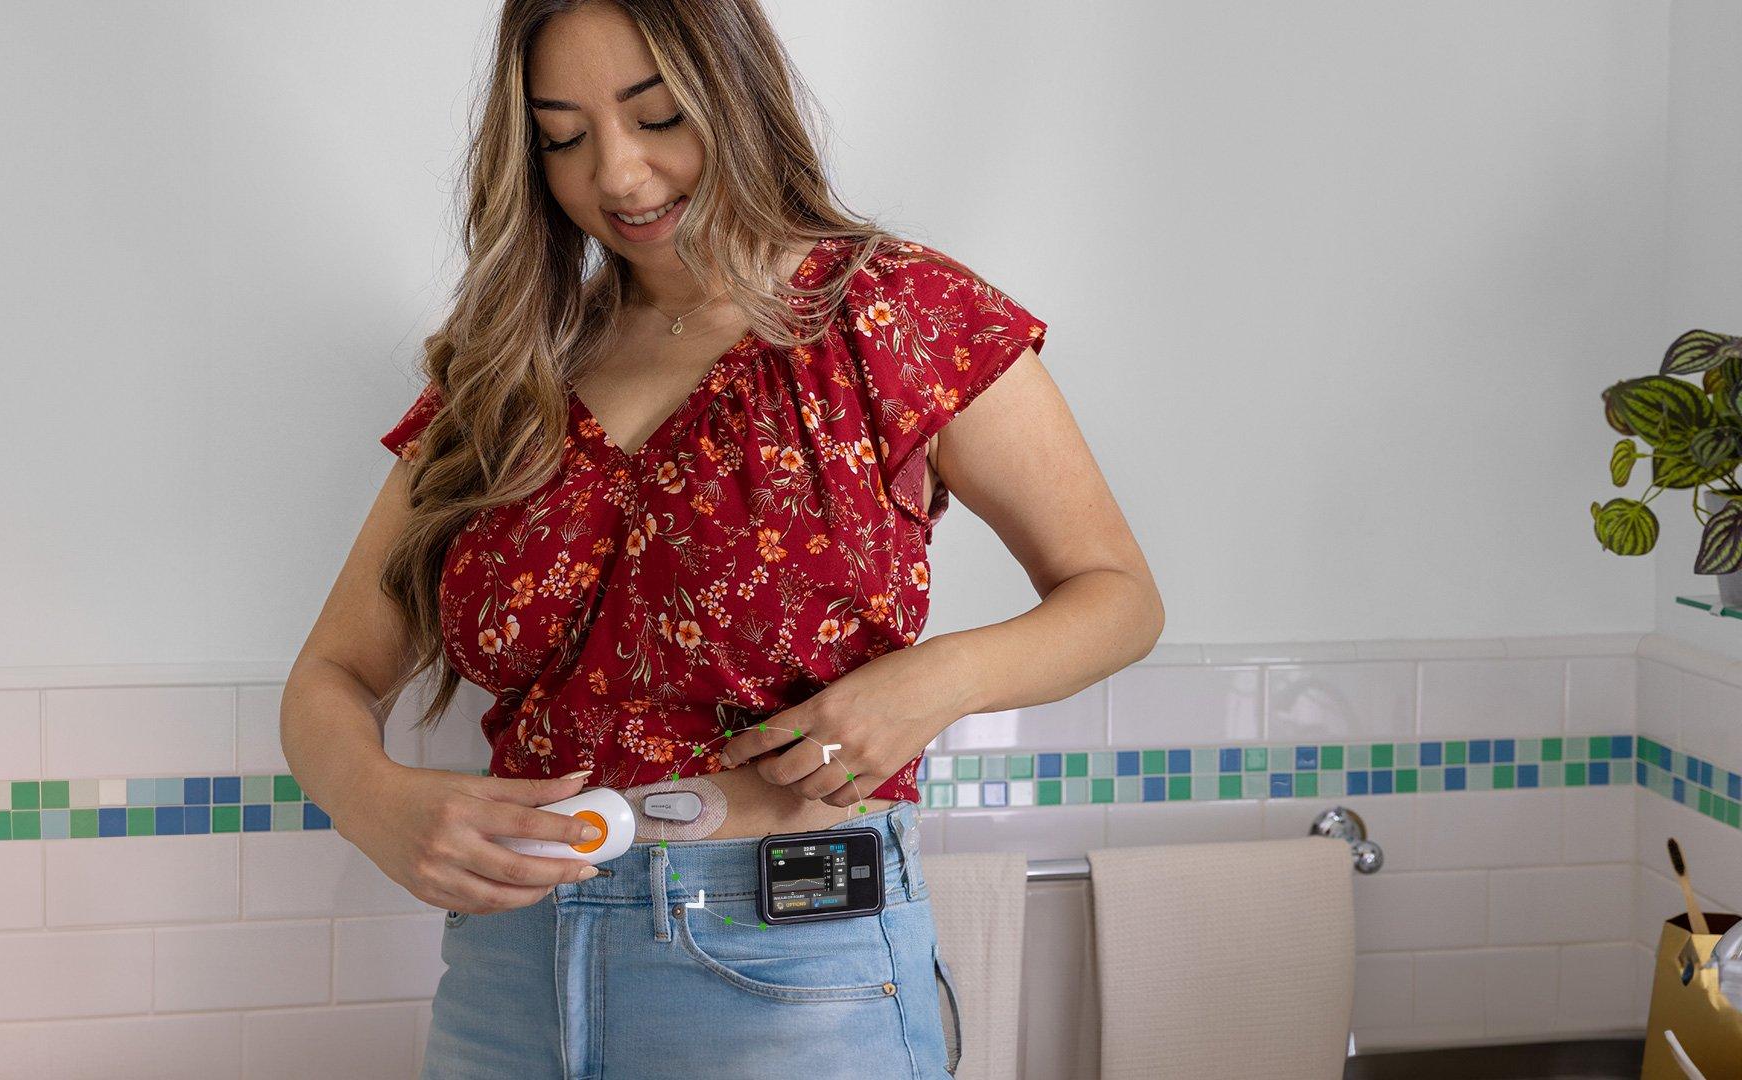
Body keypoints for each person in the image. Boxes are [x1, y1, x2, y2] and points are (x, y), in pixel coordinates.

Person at [280, 1, 1164, 1076]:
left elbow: (1117, 594)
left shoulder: (897, 314)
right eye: (564, 136)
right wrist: (374, 803)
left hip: (791, 968)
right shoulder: (508, 371)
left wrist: (939, 680)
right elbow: (333, 670)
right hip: (506, 976)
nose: (620, 175)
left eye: (658, 117)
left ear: (735, 94)